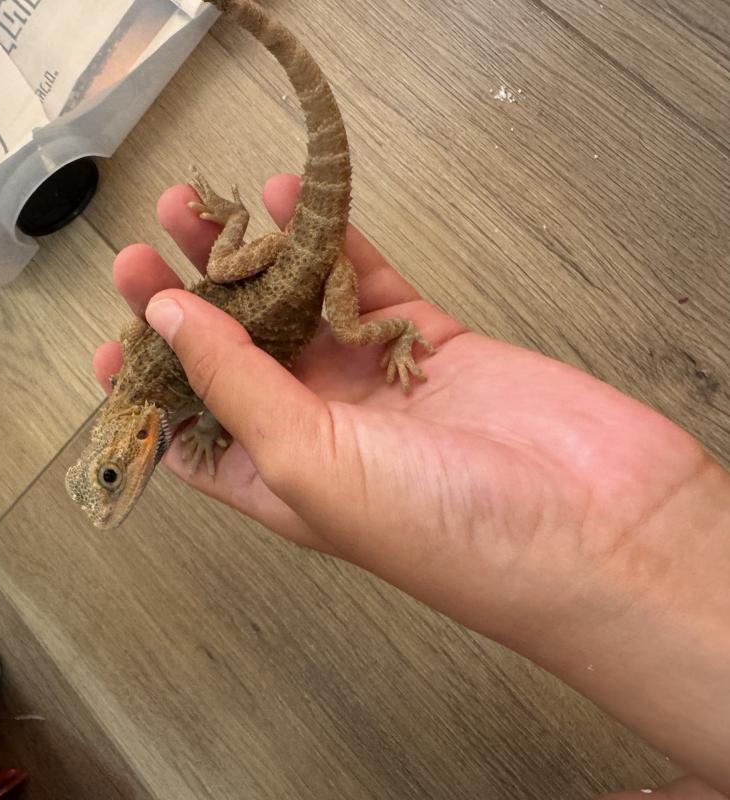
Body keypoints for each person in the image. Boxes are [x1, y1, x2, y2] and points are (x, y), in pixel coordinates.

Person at [91, 173, 730, 799]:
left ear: (127, 442)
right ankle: (235, 221)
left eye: (111, 477)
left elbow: (160, 350)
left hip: (301, 275)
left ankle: (395, 332)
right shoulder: (146, 395)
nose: (118, 492)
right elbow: (137, 336)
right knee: (226, 274)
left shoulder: (157, 398)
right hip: (279, 269)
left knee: (349, 330)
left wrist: (209, 415)